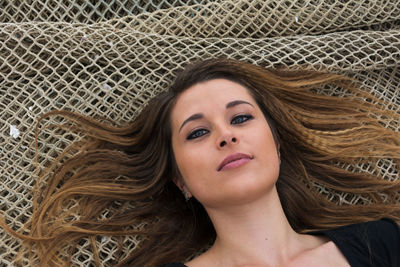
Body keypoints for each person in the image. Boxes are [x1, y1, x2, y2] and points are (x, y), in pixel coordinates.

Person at [1, 58, 399, 266]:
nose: (226, 135)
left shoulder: (384, 244)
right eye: (197, 132)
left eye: (241, 118)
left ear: (277, 145)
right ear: (179, 180)